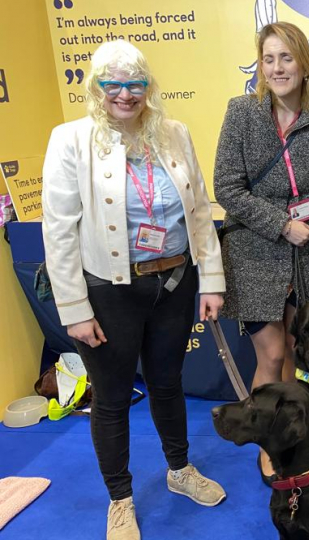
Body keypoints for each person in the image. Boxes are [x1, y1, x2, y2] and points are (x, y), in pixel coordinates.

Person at [42, 40, 227, 540]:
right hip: (108, 293)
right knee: (112, 397)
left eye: (135, 83)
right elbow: (58, 231)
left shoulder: (173, 133)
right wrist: (75, 310)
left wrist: (210, 278)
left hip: (174, 282)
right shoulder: (70, 140)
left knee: (168, 383)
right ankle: (120, 499)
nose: (125, 94)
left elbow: (200, 212)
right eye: (113, 84)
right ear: (96, 88)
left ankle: (179, 470)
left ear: (149, 86)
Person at [213, 21, 309, 485]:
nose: (276, 68)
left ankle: (289, 435)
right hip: (253, 251)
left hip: (304, 256)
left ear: (304, 64)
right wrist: (280, 224)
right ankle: (266, 444)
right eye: (268, 59)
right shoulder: (242, 113)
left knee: (293, 347)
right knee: (270, 354)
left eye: (286, 58)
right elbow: (226, 186)